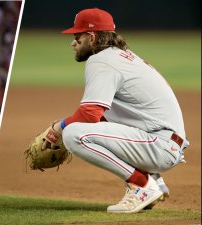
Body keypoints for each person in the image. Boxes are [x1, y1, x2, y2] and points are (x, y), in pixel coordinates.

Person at [43, 8, 189, 213]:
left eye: (78, 37)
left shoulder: (101, 60)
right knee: (94, 124)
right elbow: (100, 117)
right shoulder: (121, 57)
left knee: (73, 133)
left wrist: (58, 127)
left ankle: (142, 185)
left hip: (159, 144)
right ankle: (154, 180)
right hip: (163, 141)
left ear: (92, 37)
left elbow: (89, 114)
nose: (73, 42)